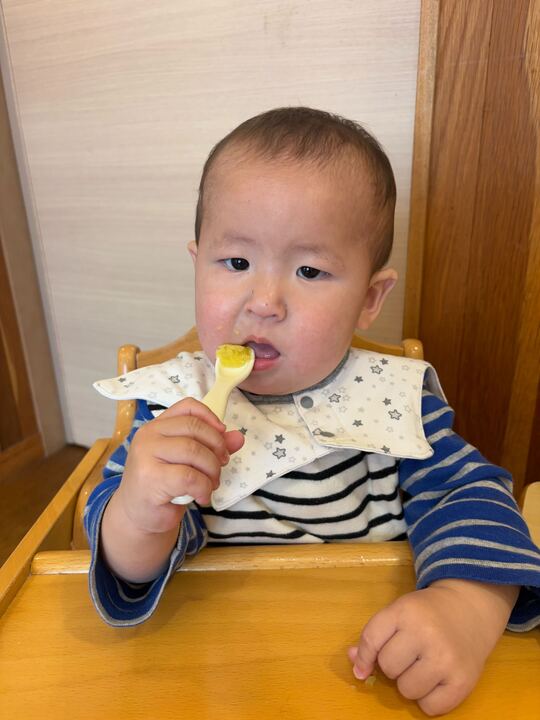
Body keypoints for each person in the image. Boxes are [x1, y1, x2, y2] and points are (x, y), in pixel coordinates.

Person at [86, 107, 540, 715]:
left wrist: (465, 604)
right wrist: (141, 515)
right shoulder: (173, 406)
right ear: (197, 265)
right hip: (212, 671)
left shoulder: (392, 401)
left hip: (368, 664)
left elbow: (472, 496)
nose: (265, 302)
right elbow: (125, 565)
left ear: (370, 298)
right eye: (236, 263)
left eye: (309, 270)